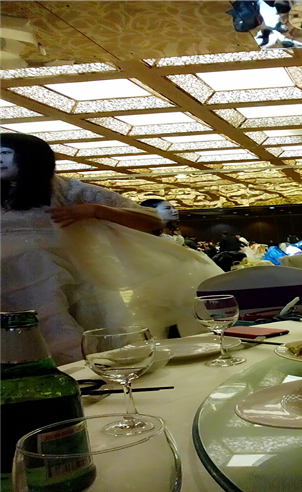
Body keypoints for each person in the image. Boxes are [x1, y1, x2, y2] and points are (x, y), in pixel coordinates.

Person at [1, 133, 221, 364]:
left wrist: (96, 211)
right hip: (6, 283)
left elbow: (151, 220)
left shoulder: (66, 190)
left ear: (30, 157)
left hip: (64, 284)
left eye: (5, 152)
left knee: (73, 347)